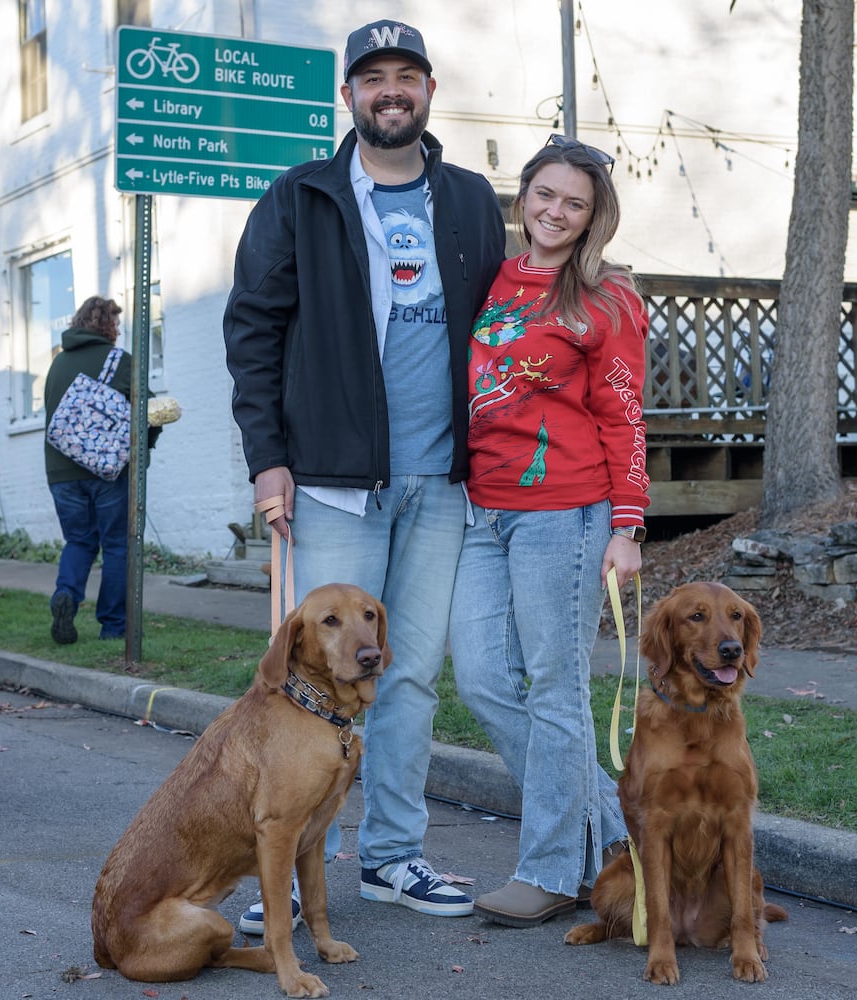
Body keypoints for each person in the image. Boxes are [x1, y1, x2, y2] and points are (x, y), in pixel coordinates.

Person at [223, 18, 506, 931]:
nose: (391, 91)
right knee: (315, 684)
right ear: (347, 94)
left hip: (442, 483)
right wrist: (268, 459)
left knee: (409, 678)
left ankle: (391, 857)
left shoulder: (469, 200)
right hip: (334, 484)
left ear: (428, 91)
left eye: (406, 76)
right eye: (373, 77)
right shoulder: (300, 196)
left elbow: (502, 324)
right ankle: (285, 875)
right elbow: (253, 330)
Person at [449, 135, 648, 927]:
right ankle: (614, 824)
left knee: (556, 688)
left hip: (564, 513)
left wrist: (628, 525)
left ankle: (552, 870)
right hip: (483, 510)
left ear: (594, 217)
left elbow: (624, 415)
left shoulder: (606, 299)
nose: (556, 212)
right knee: (481, 679)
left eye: (575, 203)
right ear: (523, 194)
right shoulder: (494, 280)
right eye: (545, 194)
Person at [43, 295, 133, 644]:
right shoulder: (119, 361)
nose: (118, 330)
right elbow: (148, 410)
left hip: (62, 472)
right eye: (116, 323)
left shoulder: (58, 363)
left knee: (79, 540)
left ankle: (66, 594)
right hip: (106, 470)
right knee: (116, 545)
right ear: (107, 325)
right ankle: (112, 626)